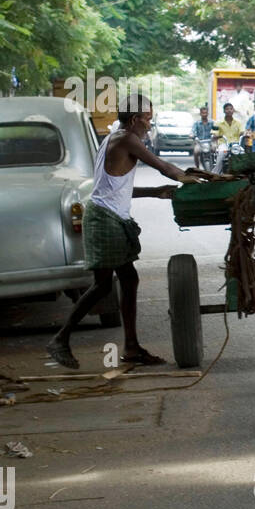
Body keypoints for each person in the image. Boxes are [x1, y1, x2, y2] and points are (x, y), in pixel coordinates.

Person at [46, 92, 203, 370]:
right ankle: (60, 339)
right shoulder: (127, 139)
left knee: (128, 280)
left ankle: (131, 347)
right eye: (147, 120)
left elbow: (114, 187)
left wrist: (154, 193)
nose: (149, 126)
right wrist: (188, 179)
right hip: (105, 219)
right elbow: (163, 166)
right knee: (103, 285)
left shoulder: (114, 138)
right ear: (134, 119)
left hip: (109, 216)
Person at [213, 103, 244, 172]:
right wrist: (216, 135)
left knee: (243, 153)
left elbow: (242, 132)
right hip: (224, 144)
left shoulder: (238, 123)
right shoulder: (218, 123)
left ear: (233, 110)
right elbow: (214, 133)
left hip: (236, 145)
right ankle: (215, 173)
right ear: (224, 111)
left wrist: (244, 134)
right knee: (221, 154)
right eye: (227, 109)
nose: (229, 110)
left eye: (231, 109)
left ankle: (245, 173)